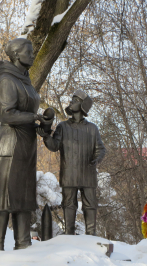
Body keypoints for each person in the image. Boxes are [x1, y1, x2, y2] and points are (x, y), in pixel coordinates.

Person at [0, 38, 51, 251]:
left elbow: (29, 115)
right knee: (4, 198)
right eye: (29, 52)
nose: (32, 55)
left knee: (23, 197)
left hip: (25, 146)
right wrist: (34, 117)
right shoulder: (7, 80)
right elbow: (7, 114)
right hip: (9, 146)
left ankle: (23, 245)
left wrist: (43, 124)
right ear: (17, 55)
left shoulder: (25, 80)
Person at [36, 90, 106, 236]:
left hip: (88, 173)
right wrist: (46, 136)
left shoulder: (92, 128)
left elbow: (100, 149)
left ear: (82, 105)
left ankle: (91, 235)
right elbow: (54, 146)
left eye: (75, 100)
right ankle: (69, 235)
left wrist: (96, 159)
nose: (71, 102)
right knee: (69, 204)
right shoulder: (63, 126)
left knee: (90, 205)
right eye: (72, 99)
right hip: (69, 174)